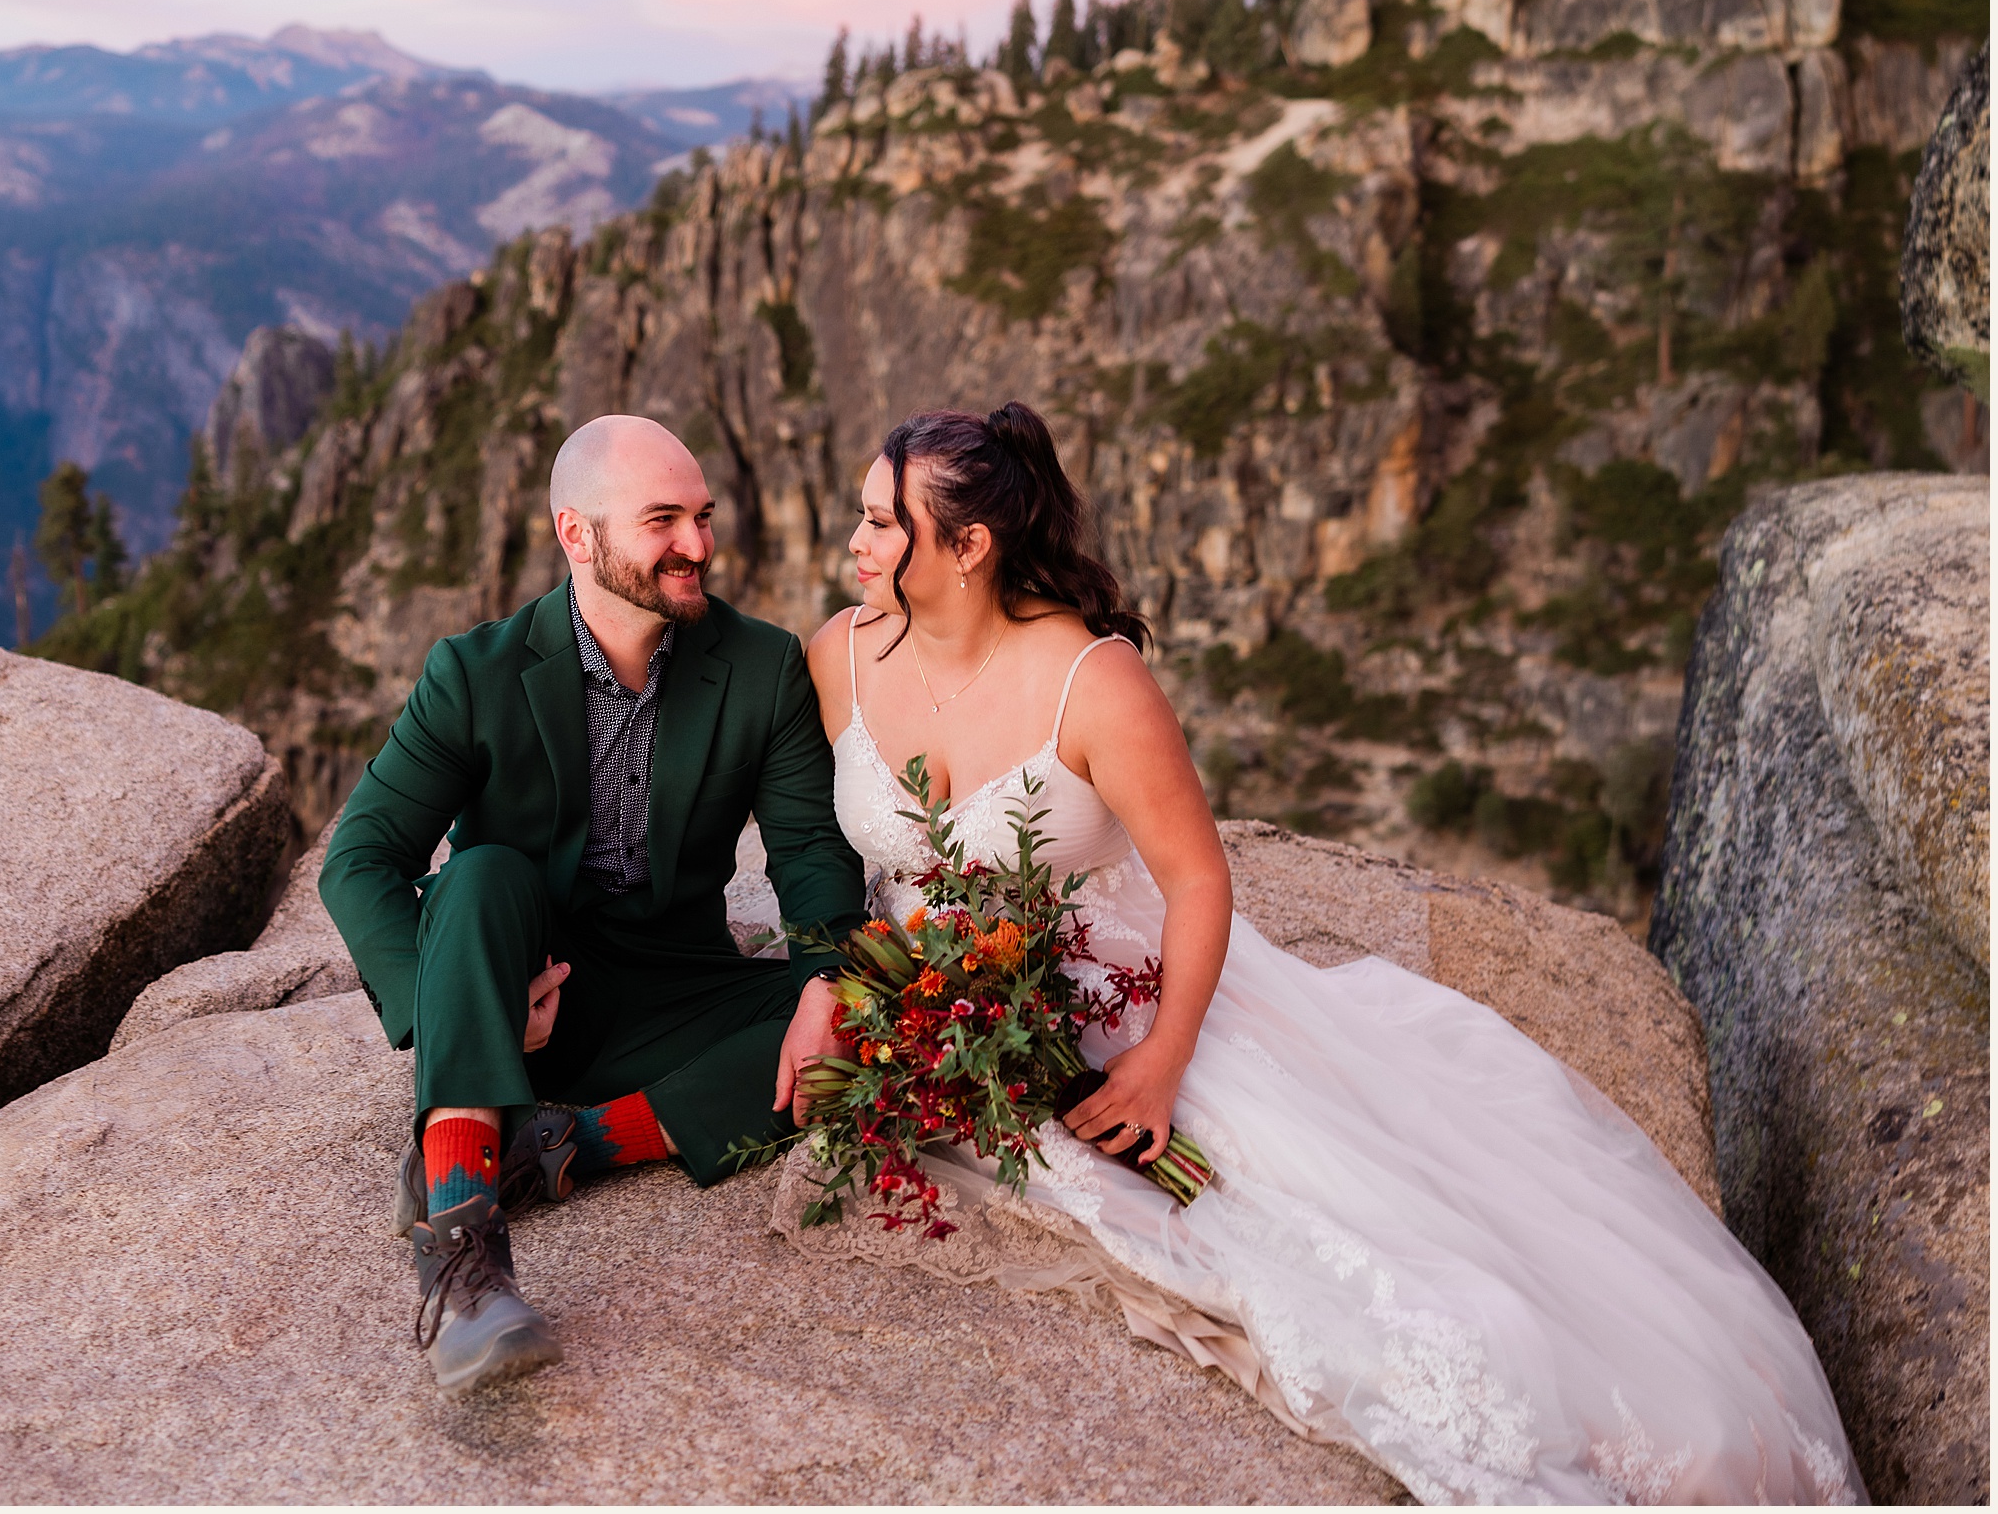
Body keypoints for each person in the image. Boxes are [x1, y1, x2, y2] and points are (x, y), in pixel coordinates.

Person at [799, 403, 1861, 1504]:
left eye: (882, 524)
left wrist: (1161, 1057)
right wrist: (843, 975)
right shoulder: (842, 651)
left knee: (1334, 1248)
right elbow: (812, 844)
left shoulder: (1093, 682)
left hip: (1105, 987)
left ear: (967, 546)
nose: (857, 546)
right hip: (933, 988)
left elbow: (1199, 878)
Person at [321, 414, 865, 1393]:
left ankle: (556, 1149)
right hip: (519, 981)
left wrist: (827, 982)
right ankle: (459, 1260)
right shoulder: (474, 672)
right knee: (482, 873)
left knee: (875, 1014)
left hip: (672, 991)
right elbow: (359, 859)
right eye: (663, 520)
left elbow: (811, 857)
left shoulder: (759, 664)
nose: (697, 544)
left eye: (701, 516)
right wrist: (456, 1002)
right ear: (577, 534)